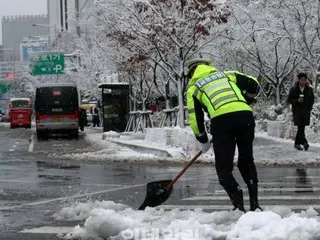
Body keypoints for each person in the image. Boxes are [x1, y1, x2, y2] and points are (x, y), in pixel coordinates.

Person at [185, 58, 261, 212]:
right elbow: (254, 83)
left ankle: (238, 203)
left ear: (192, 73)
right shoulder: (227, 75)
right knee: (246, 161)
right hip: (245, 116)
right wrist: (248, 99)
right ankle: (255, 204)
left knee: (224, 169)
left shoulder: (194, 88)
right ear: (209, 67)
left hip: (221, 122)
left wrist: (202, 139)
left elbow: (194, 117)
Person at [287, 73, 314, 151]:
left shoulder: (309, 89)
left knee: (302, 128)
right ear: (298, 80)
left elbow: (312, 100)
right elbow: (289, 100)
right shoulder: (293, 89)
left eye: (305, 80)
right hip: (297, 112)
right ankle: (304, 142)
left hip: (306, 112)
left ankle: (297, 143)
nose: (303, 81)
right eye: (302, 80)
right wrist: (297, 101)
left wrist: (309, 109)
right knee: (300, 127)